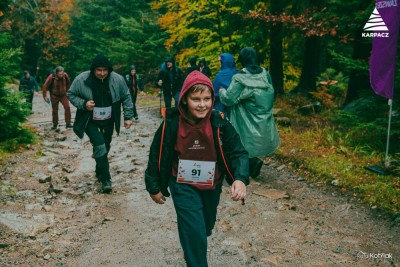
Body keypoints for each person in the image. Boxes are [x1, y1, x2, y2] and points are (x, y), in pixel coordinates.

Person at [145, 70, 249, 267]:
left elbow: (238, 152)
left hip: (212, 183)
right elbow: (157, 154)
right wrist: (154, 187)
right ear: (184, 99)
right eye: (196, 99)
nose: (202, 104)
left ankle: (195, 244)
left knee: (205, 227)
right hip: (182, 184)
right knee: (194, 230)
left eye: (207, 98)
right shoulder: (171, 122)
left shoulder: (219, 121)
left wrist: (240, 178)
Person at [67, 54, 134, 193]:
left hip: (109, 119)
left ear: (109, 70)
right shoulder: (81, 79)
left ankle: (99, 169)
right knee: (99, 144)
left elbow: (126, 97)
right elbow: (71, 94)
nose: (102, 73)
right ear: (93, 70)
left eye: (105, 70)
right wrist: (84, 104)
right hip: (89, 119)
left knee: (105, 146)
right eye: (99, 70)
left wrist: (128, 117)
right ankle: (106, 179)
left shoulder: (118, 79)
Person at [219, 47, 280, 178]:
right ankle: (251, 163)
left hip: (244, 115)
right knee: (248, 140)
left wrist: (221, 92)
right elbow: (270, 92)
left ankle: (245, 167)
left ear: (241, 59)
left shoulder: (239, 77)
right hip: (262, 114)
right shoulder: (265, 73)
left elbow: (229, 99)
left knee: (238, 139)